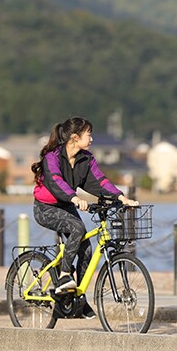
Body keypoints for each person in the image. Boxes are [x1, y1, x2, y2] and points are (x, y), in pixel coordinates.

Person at [31, 116, 136, 319]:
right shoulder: (53, 157)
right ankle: (63, 276)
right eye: (89, 134)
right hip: (46, 207)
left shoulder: (86, 159)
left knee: (86, 250)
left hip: (67, 205)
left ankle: (77, 300)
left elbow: (100, 181)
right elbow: (55, 181)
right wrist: (74, 197)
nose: (92, 138)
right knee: (78, 229)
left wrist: (121, 197)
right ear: (74, 137)